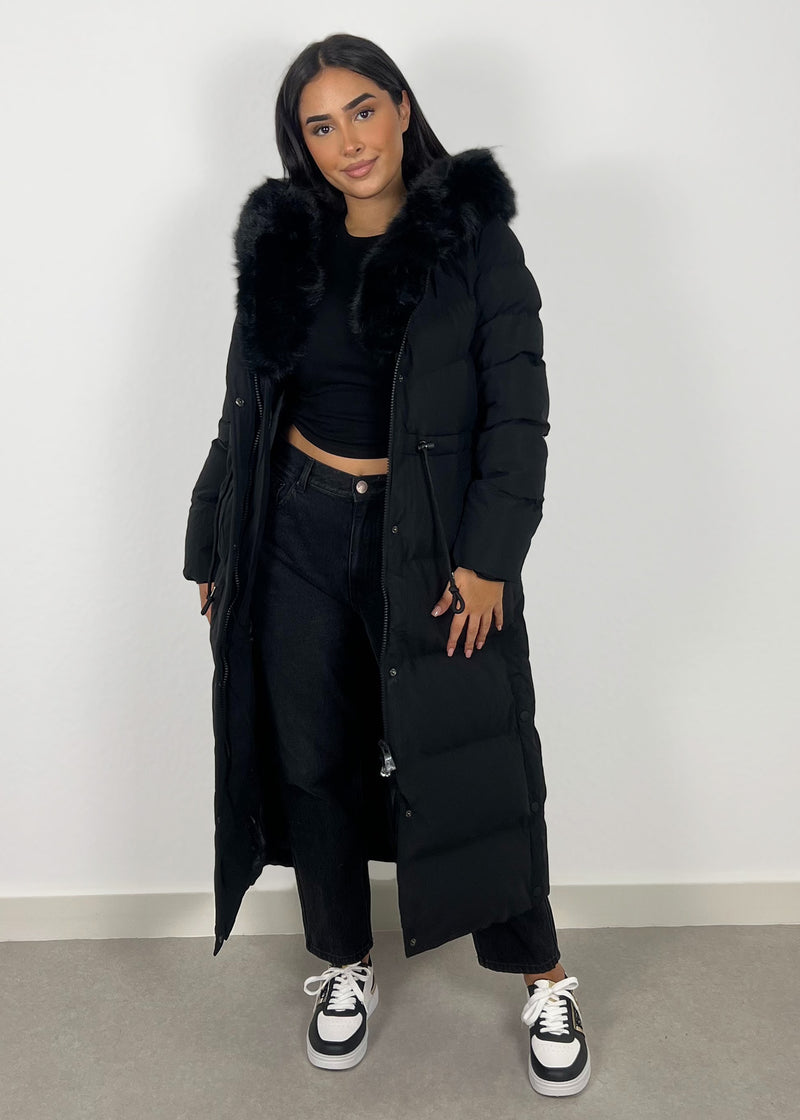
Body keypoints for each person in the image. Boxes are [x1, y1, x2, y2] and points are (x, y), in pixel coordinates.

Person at [183, 32, 591, 1096]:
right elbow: (243, 406)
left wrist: (489, 560)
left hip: (432, 543)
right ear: (301, 142)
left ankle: (543, 976)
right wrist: (213, 534)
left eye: (362, 111)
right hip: (297, 529)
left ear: (402, 108)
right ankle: (341, 963)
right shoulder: (286, 242)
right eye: (319, 126)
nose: (347, 142)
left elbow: (519, 414)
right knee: (314, 759)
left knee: (473, 762)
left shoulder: (474, 242)